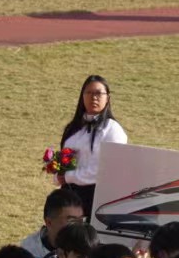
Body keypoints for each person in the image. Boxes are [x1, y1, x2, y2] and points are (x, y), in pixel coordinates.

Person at [55, 75, 128, 220]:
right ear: (82, 96)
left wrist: (69, 176)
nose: (94, 97)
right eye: (89, 93)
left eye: (99, 93)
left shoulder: (112, 130)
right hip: (69, 197)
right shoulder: (73, 128)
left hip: (96, 198)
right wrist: (58, 172)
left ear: (108, 98)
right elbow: (65, 160)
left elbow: (109, 169)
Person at [20, 186, 86, 258]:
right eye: (72, 220)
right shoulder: (29, 253)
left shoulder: (88, 247)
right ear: (49, 222)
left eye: (81, 220)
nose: (78, 226)